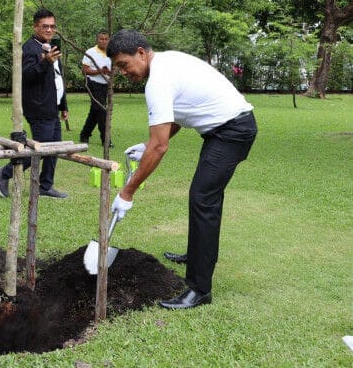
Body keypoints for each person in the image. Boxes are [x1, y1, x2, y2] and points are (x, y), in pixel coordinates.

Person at [106, 29, 257, 310]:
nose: (123, 72)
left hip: (233, 131)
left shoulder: (158, 81)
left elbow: (160, 147)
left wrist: (127, 193)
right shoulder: (165, 63)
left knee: (203, 197)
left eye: (124, 65)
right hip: (224, 130)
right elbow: (170, 123)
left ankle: (200, 289)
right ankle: (198, 254)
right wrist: (146, 144)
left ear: (141, 53)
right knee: (203, 197)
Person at [0, 9, 69, 199]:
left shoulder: (50, 47)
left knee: (55, 149)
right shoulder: (29, 48)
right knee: (41, 149)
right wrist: (45, 62)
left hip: (52, 106)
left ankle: (45, 185)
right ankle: (4, 172)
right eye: (45, 26)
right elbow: (25, 76)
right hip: (38, 106)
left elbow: (57, 79)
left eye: (52, 26)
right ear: (35, 26)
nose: (50, 30)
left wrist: (63, 104)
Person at [79, 31, 113, 147]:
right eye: (101, 39)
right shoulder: (90, 52)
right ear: (97, 40)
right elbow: (85, 70)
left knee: (95, 111)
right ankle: (106, 139)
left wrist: (109, 72)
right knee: (102, 110)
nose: (103, 41)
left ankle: (85, 134)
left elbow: (113, 69)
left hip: (105, 85)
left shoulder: (111, 53)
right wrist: (100, 71)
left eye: (106, 39)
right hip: (93, 83)